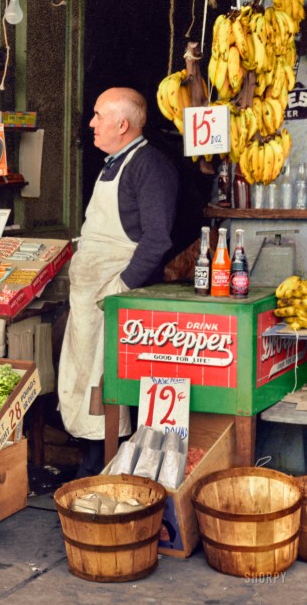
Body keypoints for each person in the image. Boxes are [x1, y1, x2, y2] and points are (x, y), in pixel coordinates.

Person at [58, 87, 180, 477]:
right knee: (84, 376)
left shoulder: (149, 167)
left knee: (105, 381)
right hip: (91, 298)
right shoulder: (114, 163)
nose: (91, 123)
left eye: (98, 115)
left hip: (115, 296)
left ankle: (102, 468)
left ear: (122, 124)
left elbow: (157, 239)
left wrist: (122, 288)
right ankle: (91, 459)